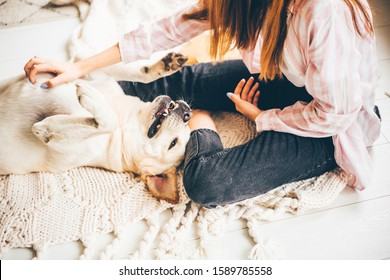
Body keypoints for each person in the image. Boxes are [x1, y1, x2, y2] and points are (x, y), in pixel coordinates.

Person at [24, 0, 381, 208]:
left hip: (331, 123)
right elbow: (176, 26)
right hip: (286, 75)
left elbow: (334, 113)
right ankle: (80, 89)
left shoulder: (324, 12)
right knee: (178, 82)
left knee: (207, 182)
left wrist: (262, 117)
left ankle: (204, 122)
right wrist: (81, 67)